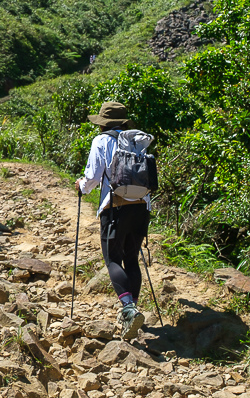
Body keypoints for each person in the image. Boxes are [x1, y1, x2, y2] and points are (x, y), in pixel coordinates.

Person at [74, 101, 152, 340]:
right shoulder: (139, 140)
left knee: (112, 259)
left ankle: (128, 309)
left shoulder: (102, 141)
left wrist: (81, 186)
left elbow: (93, 177)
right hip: (141, 207)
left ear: (103, 124)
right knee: (132, 259)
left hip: (114, 207)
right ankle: (133, 310)